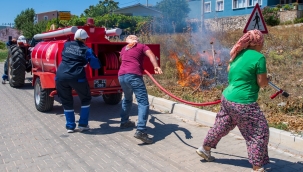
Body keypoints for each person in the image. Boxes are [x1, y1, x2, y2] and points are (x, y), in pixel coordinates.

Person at [196, 29, 269, 172]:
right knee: (258, 131)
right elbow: (262, 83)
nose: (263, 45)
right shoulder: (259, 57)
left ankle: (205, 148)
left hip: (228, 98)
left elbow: (230, 69)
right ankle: (257, 167)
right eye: (262, 42)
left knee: (222, 125)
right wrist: (266, 78)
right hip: (244, 102)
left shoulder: (238, 53)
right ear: (257, 42)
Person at [118, 35, 162, 144]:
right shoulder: (142, 46)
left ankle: (124, 122)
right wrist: (156, 66)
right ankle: (141, 130)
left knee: (127, 99)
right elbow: (151, 55)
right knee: (143, 103)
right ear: (137, 41)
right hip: (133, 76)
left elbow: (120, 59)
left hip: (122, 76)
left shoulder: (124, 49)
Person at [55, 29, 101, 133]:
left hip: (61, 76)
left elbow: (64, 56)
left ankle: (70, 126)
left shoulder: (66, 45)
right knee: (85, 99)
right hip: (77, 77)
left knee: (66, 101)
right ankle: (83, 125)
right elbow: (95, 65)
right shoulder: (87, 49)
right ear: (85, 39)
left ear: (75, 37)